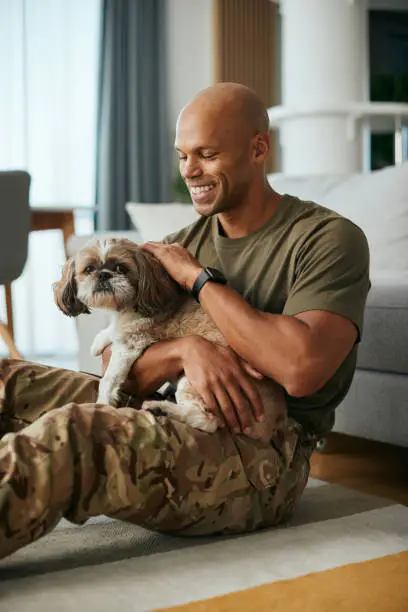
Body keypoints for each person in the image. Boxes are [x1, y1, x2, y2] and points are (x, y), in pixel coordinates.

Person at [0, 82, 370, 561]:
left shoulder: (327, 239)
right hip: (161, 406)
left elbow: (300, 369)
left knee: (77, 434)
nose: (190, 171)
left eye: (207, 154)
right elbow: (119, 355)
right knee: (7, 379)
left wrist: (199, 281)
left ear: (259, 148)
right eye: (182, 156)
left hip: (262, 452)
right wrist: (185, 351)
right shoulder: (181, 240)